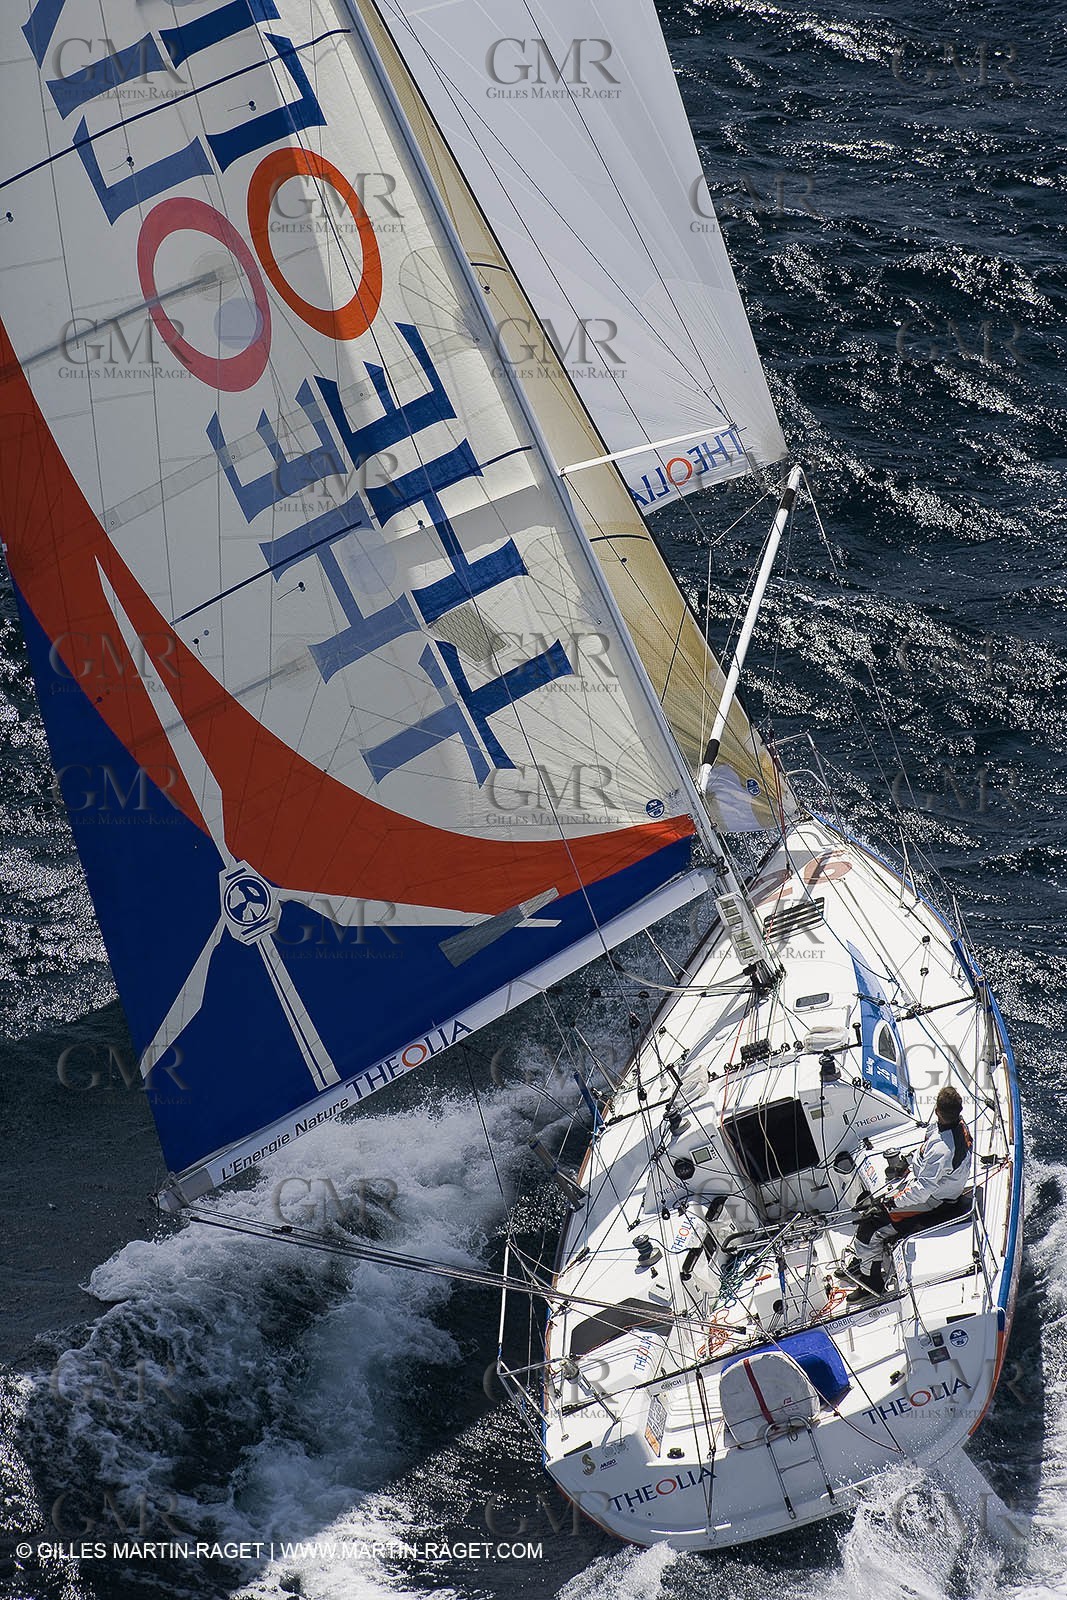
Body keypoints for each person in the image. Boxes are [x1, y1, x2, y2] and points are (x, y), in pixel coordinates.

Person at [843, 1085, 972, 1301]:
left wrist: (890, 1204)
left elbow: (922, 1191)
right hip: (935, 1190)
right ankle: (863, 1261)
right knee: (872, 1203)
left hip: (935, 1201)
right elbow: (927, 1155)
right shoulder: (955, 1127)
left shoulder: (943, 1148)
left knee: (870, 1226)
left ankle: (871, 1285)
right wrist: (908, 1162)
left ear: (937, 1110)